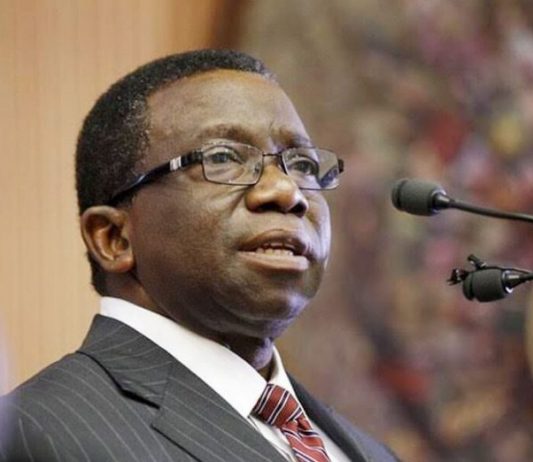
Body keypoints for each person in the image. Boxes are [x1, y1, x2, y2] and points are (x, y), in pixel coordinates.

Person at [0, 49, 398, 462]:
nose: (287, 191)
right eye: (223, 158)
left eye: (302, 164)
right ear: (114, 238)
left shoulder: (371, 453)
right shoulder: (33, 435)